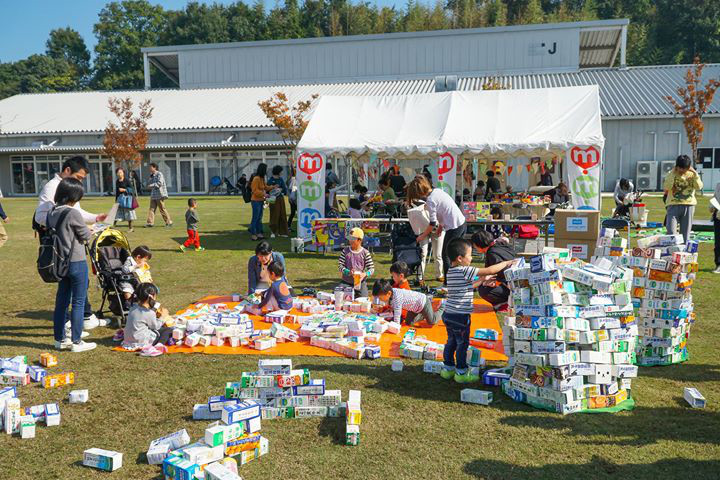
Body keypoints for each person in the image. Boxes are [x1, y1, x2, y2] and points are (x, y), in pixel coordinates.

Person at [34, 156, 106, 331]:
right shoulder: (52, 187)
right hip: (64, 248)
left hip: (71, 245)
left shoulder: (68, 188)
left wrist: (96, 218)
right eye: (79, 177)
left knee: (71, 289)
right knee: (72, 289)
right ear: (67, 171)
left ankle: (80, 320)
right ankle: (75, 331)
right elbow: (43, 216)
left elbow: (76, 213)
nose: (80, 181)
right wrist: (73, 228)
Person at [438, 239, 515, 383]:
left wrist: (482, 280)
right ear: (460, 258)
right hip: (460, 316)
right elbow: (490, 270)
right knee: (462, 344)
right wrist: (506, 263)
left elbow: (468, 286)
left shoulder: (451, 271)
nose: (472, 258)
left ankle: (447, 369)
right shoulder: (465, 269)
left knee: (451, 341)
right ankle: (461, 372)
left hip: (449, 314)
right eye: (469, 255)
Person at [47, 178, 97, 353]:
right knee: (78, 301)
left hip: (60, 262)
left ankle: (59, 339)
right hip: (76, 260)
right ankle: (76, 341)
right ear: (72, 196)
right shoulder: (72, 213)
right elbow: (84, 236)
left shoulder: (52, 212)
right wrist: (90, 230)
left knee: (61, 301)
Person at [407, 175, 467, 283]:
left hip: (455, 227)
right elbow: (445, 211)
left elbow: (432, 223)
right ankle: (460, 279)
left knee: (446, 255)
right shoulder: (438, 191)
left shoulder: (430, 200)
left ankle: (448, 284)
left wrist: (422, 236)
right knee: (458, 255)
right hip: (461, 223)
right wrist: (441, 226)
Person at [471, 230, 516, 309]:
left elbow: (497, 272)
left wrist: (495, 281)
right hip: (515, 282)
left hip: (512, 287)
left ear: (479, 245)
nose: (475, 248)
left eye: (475, 246)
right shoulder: (501, 244)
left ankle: (506, 302)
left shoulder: (492, 253)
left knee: (483, 289)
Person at [122, 283, 172, 353]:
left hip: (128, 341)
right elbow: (155, 327)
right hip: (141, 342)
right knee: (167, 330)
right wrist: (163, 317)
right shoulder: (149, 313)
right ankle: (159, 345)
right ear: (152, 296)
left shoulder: (133, 307)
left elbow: (143, 317)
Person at [664, 155, 703, 244]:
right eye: (679, 168)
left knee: (685, 234)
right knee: (670, 232)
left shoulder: (692, 174)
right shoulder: (671, 173)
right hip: (673, 205)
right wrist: (672, 173)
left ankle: (683, 255)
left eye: (684, 168)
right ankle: (671, 254)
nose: (681, 171)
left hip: (689, 205)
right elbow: (667, 187)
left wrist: (696, 174)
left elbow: (699, 187)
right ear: (676, 166)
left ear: (688, 167)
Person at [372, 279, 436, 327]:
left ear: (388, 293)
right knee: (408, 323)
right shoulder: (391, 293)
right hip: (413, 308)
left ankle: (442, 307)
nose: (380, 300)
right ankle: (424, 314)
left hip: (423, 302)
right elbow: (393, 304)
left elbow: (397, 315)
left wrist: (394, 326)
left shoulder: (397, 297)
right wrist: (391, 309)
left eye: (380, 298)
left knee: (432, 321)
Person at [338, 227, 375, 297]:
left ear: (359, 240)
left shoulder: (365, 253)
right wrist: (348, 272)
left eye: (353, 239)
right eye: (350, 239)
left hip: (360, 282)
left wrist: (365, 274)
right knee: (338, 296)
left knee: (364, 299)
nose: (350, 241)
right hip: (346, 281)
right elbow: (340, 266)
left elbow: (371, 269)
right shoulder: (345, 251)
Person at [250, 163, 275, 241]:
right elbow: (254, 190)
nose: (267, 171)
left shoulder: (262, 178)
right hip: (255, 201)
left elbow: (265, 187)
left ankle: (259, 233)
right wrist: (264, 194)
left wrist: (273, 187)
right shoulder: (256, 178)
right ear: (263, 170)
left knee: (259, 218)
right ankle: (253, 234)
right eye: (266, 169)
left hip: (261, 201)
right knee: (255, 218)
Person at [146, 163, 172, 228]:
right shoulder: (152, 175)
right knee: (151, 209)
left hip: (159, 195)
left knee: (162, 209)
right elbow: (149, 183)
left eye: (151, 167)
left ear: (154, 168)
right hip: (153, 195)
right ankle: (150, 223)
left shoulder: (159, 174)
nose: (149, 168)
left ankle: (169, 222)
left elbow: (160, 183)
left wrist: (151, 185)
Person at [267, 165, 290, 238]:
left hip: (280, 199)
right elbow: (267, 190)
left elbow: (284, 189)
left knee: (282, 214)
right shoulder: (270, 180)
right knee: (274, 215)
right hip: (273, 199)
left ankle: (282, 232)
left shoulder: (281, 179)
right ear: (278, 172)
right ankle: (273, 232)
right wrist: (274, 188)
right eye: (281, 171)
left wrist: (280, 189)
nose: (282, 173)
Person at [114, 167, 137, 232]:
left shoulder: (127, 180)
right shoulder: (117, 181)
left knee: (129, 214)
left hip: (127, 199)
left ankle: (131, 228)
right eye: (118, 173)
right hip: (119, 199)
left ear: (123, 173)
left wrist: (124, 190)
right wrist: (116, 200)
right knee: (116, 213)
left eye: (120, 172)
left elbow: (132, 190)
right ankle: (112, 226)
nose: (119, 174)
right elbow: (117, 191)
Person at [712, 181, 720, 274]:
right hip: (717, 216)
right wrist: (712, 206)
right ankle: (718, 264)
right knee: (718, 242)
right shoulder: (718, 184)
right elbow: (714, 197)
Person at [287, 167, 297, 232]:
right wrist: (292, 198)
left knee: (293, 213)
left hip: (292, 198)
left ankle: (288, 226)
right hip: (293, 199)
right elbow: (293, 189)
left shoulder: (292, 179)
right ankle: (288, 226)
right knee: (293, 213)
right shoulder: (294, 179)